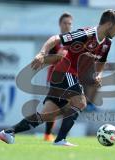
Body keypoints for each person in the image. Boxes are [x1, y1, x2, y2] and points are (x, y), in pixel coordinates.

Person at [0, 9, 115, 146]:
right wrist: (42, 53)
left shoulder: (107, 43)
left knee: (47, 115)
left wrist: (98, 74)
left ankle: (8, 132)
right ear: (109, 24)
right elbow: (56, 38)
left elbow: (101, 61)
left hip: (66, 76)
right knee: (81, 102)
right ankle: (60, 140)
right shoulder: (86, 33)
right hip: (64, 73)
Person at [44, 12, 73, 142]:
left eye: (69, 23)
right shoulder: (55, 40)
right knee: (53, 109)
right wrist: (57, 56)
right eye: (65, 23)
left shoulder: (75, 41)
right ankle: (48, 134)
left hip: (71, 78)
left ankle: (61, 136)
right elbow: (46, 60)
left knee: (71, 106)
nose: (67, 26)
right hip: (55, 79)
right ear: (60, 24)